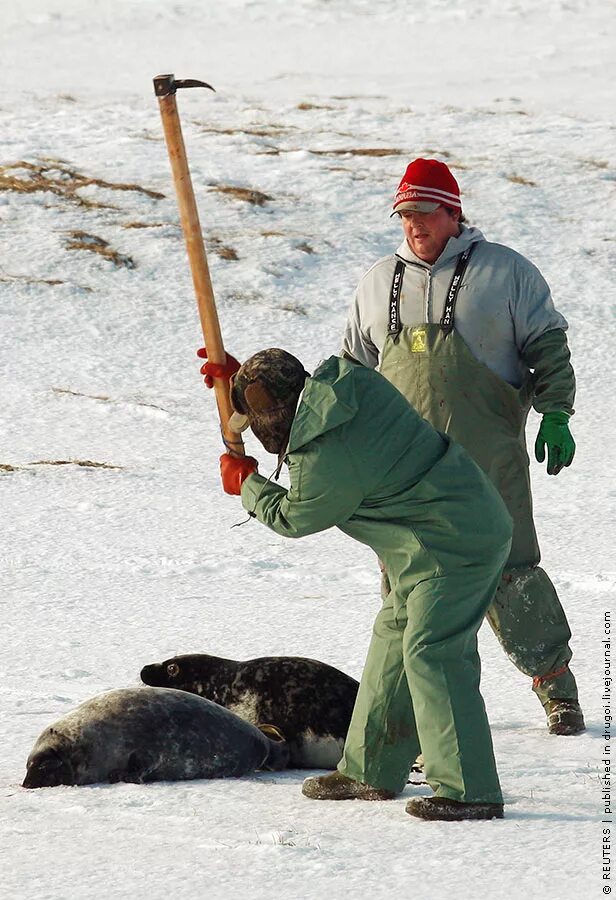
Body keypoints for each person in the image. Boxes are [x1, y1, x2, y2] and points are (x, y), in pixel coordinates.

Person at [206, 346, 512, 821]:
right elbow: (287, 400)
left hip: (455, 543)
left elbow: (295, 516)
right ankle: (370, 770)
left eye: (260, 420)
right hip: (429, 539)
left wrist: (248, 482)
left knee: (432, 653)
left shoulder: (330, 454)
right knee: (392, 648)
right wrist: (242, 384)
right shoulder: (346, 391)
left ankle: (470, 790)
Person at [341, 157, 584, 736]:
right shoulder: (377, 282)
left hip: (488, 461)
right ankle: (409, 713)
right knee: (408, 582)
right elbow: (352, 373)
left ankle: (557, 690)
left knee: (511, 573)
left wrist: (555, 412)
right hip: (401, 472)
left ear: (453, 213)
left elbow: (548, 347)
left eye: (424, 213)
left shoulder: (506, 273)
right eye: (405, 215)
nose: (413, 225)